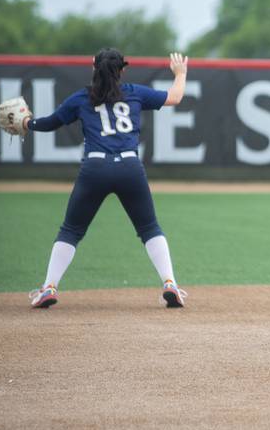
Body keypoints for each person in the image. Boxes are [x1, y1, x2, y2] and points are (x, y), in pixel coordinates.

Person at [22, 49, 189, 308]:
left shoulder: (81, 97)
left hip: (95, 168)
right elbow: (175, 97)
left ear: (93, 67)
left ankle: (49, 287)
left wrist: (27, 123)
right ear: (122, 70)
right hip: (130, 167)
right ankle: (170, 283)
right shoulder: (134, 92)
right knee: (149, 228)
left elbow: (50, 123)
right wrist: (180, 73)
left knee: (71, 230)